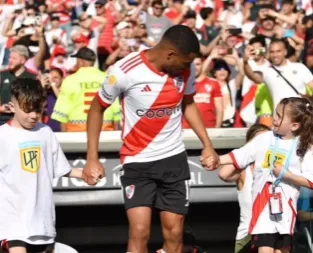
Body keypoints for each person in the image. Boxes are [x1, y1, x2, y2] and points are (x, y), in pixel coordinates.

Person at [83, 24, 219, 253]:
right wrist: (92, 158)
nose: (189, 68)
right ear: (170, 54)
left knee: (175, 234)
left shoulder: (185, 70)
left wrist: (208, 145)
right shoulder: (124, 70)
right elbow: (96, 109)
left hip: (173, 158)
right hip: (137, 161)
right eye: (186, 63)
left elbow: (189, 103)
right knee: (139, 232)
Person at [205, 97, 313, 253]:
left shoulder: (304, 147)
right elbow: (241, 155)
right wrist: (217, 160)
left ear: (294, 126)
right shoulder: (263, 139)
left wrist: (288, 176)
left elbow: (311, 180)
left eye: (279, 116)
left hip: (286, 210)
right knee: (265, 249)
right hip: (263, 207)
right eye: (275, 114)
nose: (274, 119)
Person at [0, 78, 83, 253]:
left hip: (40, 218)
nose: (33, 115)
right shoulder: (2, 136)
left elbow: (62, 168)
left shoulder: (45, 132)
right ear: (12, 107)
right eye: (27, 110)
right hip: (11, 218)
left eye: (38, 110)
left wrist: (85, 175)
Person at [218, 124, 271, 253]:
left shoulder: (275, 167)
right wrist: (246, 152)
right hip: (247, 234)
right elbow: (223, 174)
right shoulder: (243, 170)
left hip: (271, 232)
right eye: (259, 141)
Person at [51, 47, 107, 132]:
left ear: (81, 61)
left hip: (77, 131)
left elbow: (62, 114)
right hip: (104, 130)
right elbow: (116, 110)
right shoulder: (106, 78)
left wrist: (64, 139)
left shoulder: (70, 80)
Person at [0, 45, 35, 126]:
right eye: (9, 57)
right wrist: (1, 109)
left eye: (14, 58)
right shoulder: (2, 75)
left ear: (23, 60)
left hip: (23, 122)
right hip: (2, 120)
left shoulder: (32, 77)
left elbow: (35, 101)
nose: (10, 60)